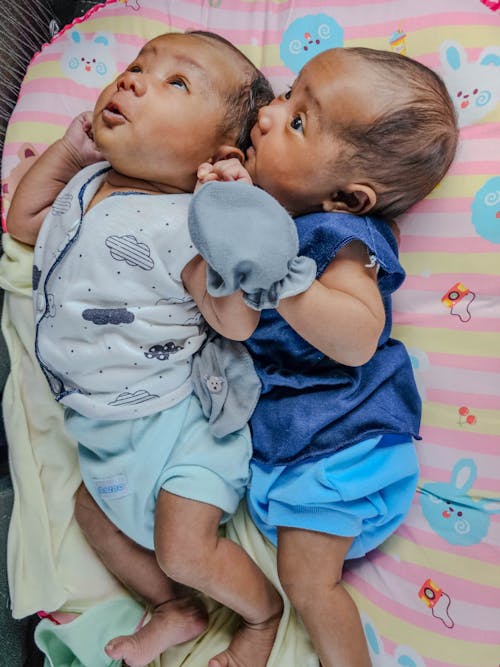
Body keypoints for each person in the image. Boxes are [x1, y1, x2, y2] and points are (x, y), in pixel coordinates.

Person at [6, 31, 285, 667]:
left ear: (213, 154)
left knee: (185, 549)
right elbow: (24, 223)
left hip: (178, 430)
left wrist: (232, 219)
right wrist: (69, 151)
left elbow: (234, 323)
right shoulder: (88, 183)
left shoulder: (189, 222)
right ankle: (176, 608)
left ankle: (262, 615)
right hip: (100, 433)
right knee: (88, 512)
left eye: (175, 83)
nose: (132, 80)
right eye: (137, 67)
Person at [185, 46, 459, 667]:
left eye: (298, 121)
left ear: (349, 198)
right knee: (289, 566)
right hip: (288, 448)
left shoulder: (345, 241)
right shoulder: (266, 217)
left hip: (345, 440)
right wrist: (219, 230)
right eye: (287, 96)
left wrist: (287, 277)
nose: (266, 116)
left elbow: (359, 335)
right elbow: (231, 321)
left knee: (307, 583)